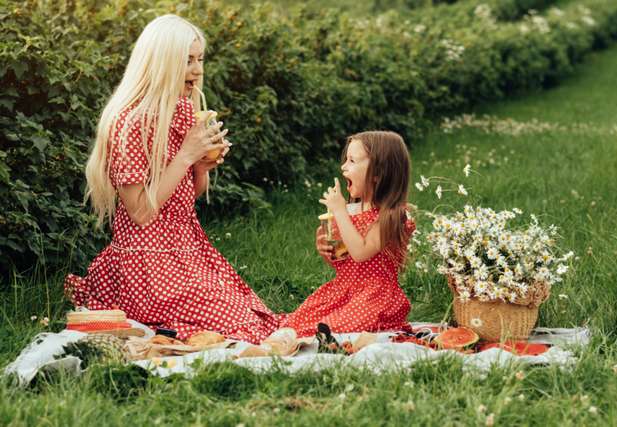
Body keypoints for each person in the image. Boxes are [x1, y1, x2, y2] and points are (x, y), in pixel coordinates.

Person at [64, 15, 279, 343]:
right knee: (238, 326)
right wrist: (186, 156)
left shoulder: (182, 112)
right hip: (148, 265)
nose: (197, 70)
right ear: (161, 64)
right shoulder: (130, 123)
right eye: (187, 61)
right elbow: (140, 212)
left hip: (187, 251)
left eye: (200, 59)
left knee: (253, 314)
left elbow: (187, 195)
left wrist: (202, 166)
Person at [281, 131, 415, 337]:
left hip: (375, 296)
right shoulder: (352, 212)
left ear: (378, 172)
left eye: (352, 161)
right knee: (298, 323)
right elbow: (348, 259)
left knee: (337, 325)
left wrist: (340, 211)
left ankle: (333, 332)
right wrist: (328, 251)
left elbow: (361, 253)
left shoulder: (393, 215)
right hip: (343, 291)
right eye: (345, 160)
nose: (343, 166)